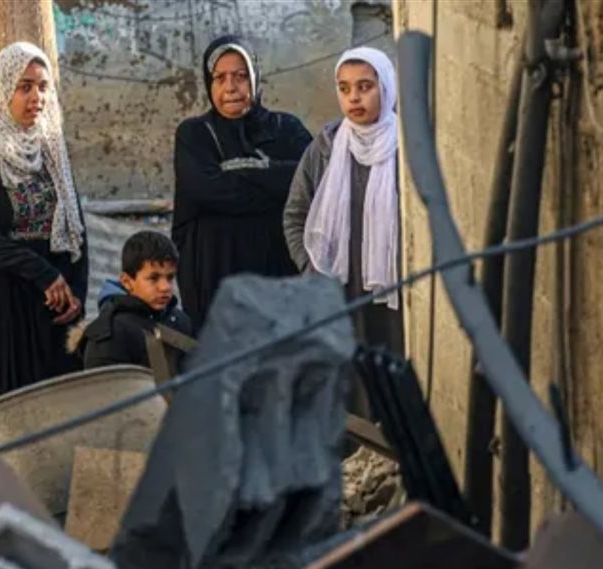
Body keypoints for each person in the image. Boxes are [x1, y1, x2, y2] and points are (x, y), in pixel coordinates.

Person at [0, 41, 88, 401]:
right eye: (24, 87)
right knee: (10, 412)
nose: (36, 98)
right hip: (2, 307)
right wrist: (43, 273)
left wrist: (77, 293)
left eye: (43, 87)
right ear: (1, 89)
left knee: (61, 410)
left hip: (53, 311)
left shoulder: (50, 145)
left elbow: (75, 224)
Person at [171, 36, 313, 333]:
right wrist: (273, 182)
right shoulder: (195, 134)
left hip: (278, 273)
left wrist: (243, 169)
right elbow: (207, 190)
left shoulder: (286, 129)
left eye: (240, 76)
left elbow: (308, 180)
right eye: (220, 78)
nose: (230, 87)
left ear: (255, 77)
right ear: (209, 83)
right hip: (215, 274)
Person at [283, 47, 403, 360]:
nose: (354, 98)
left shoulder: (405, 149)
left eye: (365, 87)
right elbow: (295, 214)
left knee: (392, 371)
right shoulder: (325, 148)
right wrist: (311, 266)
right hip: (338, 293)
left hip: (393, 295)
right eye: (344, 88)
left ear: (386, 87)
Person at [75, 230, 194, 369]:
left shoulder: (181, 322)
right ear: (127, 281)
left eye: (170, 277)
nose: (165, 287)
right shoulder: (109, 335)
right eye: (154, 278)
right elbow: (105, 382)